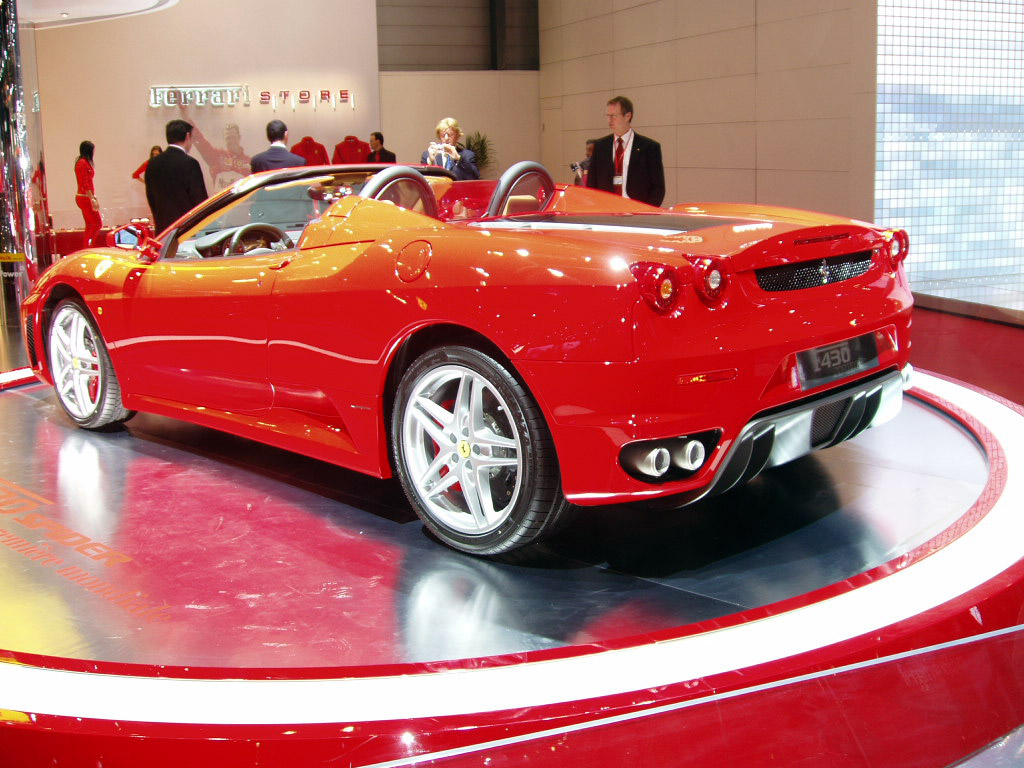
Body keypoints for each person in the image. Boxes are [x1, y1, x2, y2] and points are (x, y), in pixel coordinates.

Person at [586, 96, 665, 207]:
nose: (609, 120)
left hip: (636, 212)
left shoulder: (649, 147)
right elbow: (591, 185)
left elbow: (658, 188)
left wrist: (647, 212)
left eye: (614, 116)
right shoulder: (600, 147)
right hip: (606, 212)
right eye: (608, 116)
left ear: (627, 116)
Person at [144, 119, 208, 234]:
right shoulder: (189, 163)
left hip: (162, 232)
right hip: (186, 232)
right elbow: (200, 202)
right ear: (188, 136)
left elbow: (151, 199)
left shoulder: (152, 164)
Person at [74, 140, 102, 247]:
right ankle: (88, 247)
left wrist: (93, 197)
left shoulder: (83, 162)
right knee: (96, 224)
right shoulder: (82, 163)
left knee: (91, 225)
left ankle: (87, 247)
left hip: (85, 197)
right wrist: (92, 199)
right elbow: (85, 183)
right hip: (84, 197)